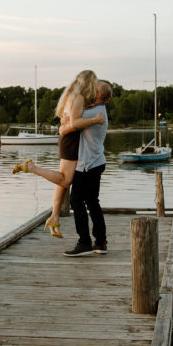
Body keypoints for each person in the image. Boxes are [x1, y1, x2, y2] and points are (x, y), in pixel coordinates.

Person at [12, 69, 105, 237]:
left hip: (68, 140)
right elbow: (75, 123)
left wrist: (64, 126)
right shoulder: (79, 98)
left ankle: (54, 217)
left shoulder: (71, 95)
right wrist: (94, 120)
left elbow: (68, 119)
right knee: (65, 180)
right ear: (88, 83)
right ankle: (31, 167)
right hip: (70, 140)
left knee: (62, 183)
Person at [62, 81, 112, 257]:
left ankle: (84, 243)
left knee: (76, 200)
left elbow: (72, 119)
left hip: (88, 164)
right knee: (92, 201)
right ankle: (101, 242)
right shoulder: (97, 111)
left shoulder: (93, 112)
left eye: (93, 89)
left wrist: (65, 122)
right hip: (95, 162)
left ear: (98, 95)